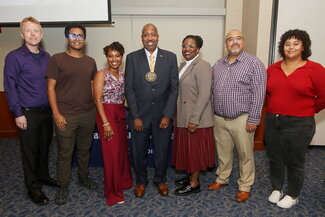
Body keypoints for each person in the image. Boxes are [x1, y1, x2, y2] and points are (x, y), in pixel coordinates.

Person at [265, 29, 325, 209]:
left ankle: (293, 194)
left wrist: (307, 110)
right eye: (287, 43)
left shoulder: (315, 69)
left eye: (295, 43)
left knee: (295, 161)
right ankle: (277, 188)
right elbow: (267, 94)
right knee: (274, 157)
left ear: (303, 47)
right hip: (273, 120)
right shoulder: (273, 68)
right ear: (282, 47)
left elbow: (323, 97)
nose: (291, 47)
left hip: (300, 123)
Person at [3, 16, 57, 205]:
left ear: (41, 33)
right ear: (21, 33)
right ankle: (33, 187)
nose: (33, 34)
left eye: (36, 30)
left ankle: (43, 176)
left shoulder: (47, 56)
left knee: (44, 148)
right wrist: (18, 113)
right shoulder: (14, 57)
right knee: (30, 151)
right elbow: (10, 87)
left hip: (46, 112)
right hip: (27, 113)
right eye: (28, 30)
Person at [209, 30, 266, 202]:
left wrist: (254, 119)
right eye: (230, 39)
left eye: (238, 38)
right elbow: (212, 91)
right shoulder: (218, 64)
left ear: (244, 41)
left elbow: (259, 93)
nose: (234, 42)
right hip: (219, 118)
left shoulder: (254, 63)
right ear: (226, 44)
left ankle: (245, 185)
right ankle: (222, 178)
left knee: (245, 154)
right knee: (223, 152)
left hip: (242, 118)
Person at [46, 23, 98, 205]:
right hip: (65, 115)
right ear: (67, 38)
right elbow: (50, 88)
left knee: (84, 150)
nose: (77, 38)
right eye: (73, 35)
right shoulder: (57, 59)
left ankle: (83, 178)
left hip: (88, 114)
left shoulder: (90, 61)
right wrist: (56, 113)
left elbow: (93, 87)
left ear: (84, 39)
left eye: (80, 35)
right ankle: (62, 186)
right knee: (65, 153)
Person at [125, 23, 178, 197]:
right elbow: (129, 89)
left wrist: (168, 114)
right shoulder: (132, 58)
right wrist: (136, 115)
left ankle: (160, 180)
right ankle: (141, 181)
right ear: (142, 38)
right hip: (140, 116)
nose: (150, 38)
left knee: (162, 152)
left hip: (162, 116)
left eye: (153, 34)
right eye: (146, 35)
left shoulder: (170, 57)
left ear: (158, 36)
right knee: (138, 152)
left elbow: (174, 88)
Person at [172, 35, 215, 196]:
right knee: (188, 151)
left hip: (196, 119)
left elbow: (204, 94)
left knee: (195, 153)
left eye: (191, 46)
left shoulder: (203, 65)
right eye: (184, 46)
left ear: (198, 49)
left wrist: (194, 119)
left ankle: (194, 183)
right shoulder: (183, 65)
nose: (187, 49)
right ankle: (191, 176)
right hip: (183, 115)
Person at [93, 42, 133, 206]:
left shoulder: (124, 75)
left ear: (122, 57)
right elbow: (97, 99)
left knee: (122, 152)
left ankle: (123, 182)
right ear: (107, 57)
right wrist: (105, 123)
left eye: (117, 56)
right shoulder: (101, 74)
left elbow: (124, 97)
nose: (114, 59)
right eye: (110, 56)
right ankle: (113, 192)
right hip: (106, 115)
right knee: (112, 155)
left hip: (120, 114)